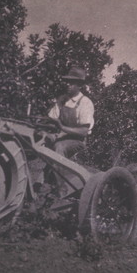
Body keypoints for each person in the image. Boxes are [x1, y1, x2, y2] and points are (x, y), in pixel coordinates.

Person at [46, 66, 95, 197]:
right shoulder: (62, 100)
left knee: (59, 147)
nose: (68, 85)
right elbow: (51, 119)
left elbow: (84, 131)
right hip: (60, 136)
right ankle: (40, 185)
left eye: (71, 82)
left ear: (79, 85)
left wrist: (62, 128)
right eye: (67, 82)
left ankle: (60, 190)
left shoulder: (85, 103)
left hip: (76, 141)